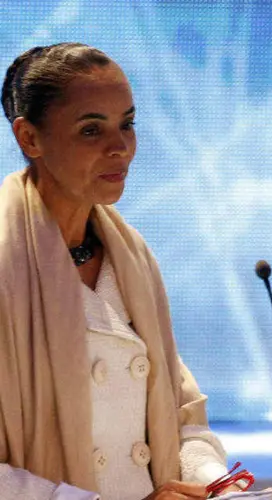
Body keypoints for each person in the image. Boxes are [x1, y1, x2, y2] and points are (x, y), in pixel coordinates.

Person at [0, 43, 240, 499]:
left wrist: (215, 484)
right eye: (92, 130)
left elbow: (180, 413)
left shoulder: (132, 256)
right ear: (29, 138)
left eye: (127, 124)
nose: (121, 147)